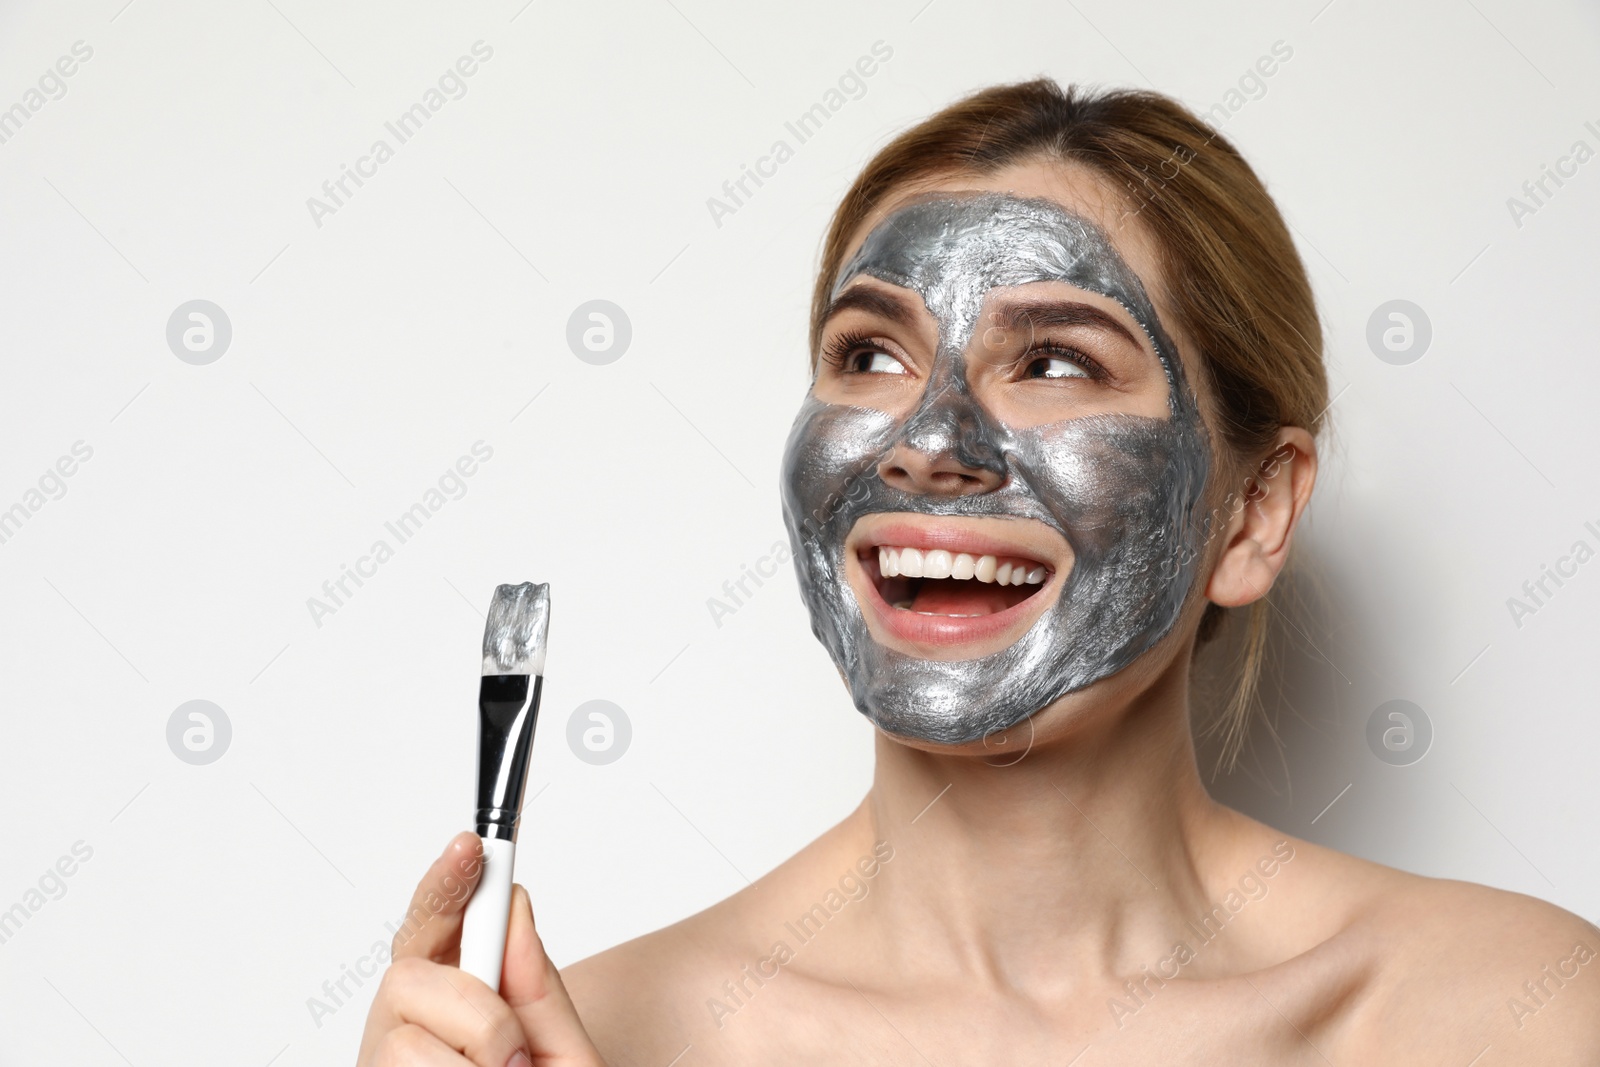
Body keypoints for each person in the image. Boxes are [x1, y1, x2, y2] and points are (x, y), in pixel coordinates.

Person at [356, 80, 1600, 1065]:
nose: (928, 442)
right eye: (870, 353)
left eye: (1055, 360)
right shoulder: (592, 1037)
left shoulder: (1519, 1014)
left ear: (1253, 512)